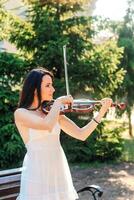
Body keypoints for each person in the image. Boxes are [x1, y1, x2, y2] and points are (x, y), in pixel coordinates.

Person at [14, 67, 112, 200]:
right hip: (37, 174)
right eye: (48, 85)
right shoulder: (21, 113)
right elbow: (46, 125)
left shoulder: (53, 113)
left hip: (57, 172)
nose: (53, 89)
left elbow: (81, 134)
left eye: (52, 85)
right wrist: (59, 102)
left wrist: (101, 113)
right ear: (35, 89)